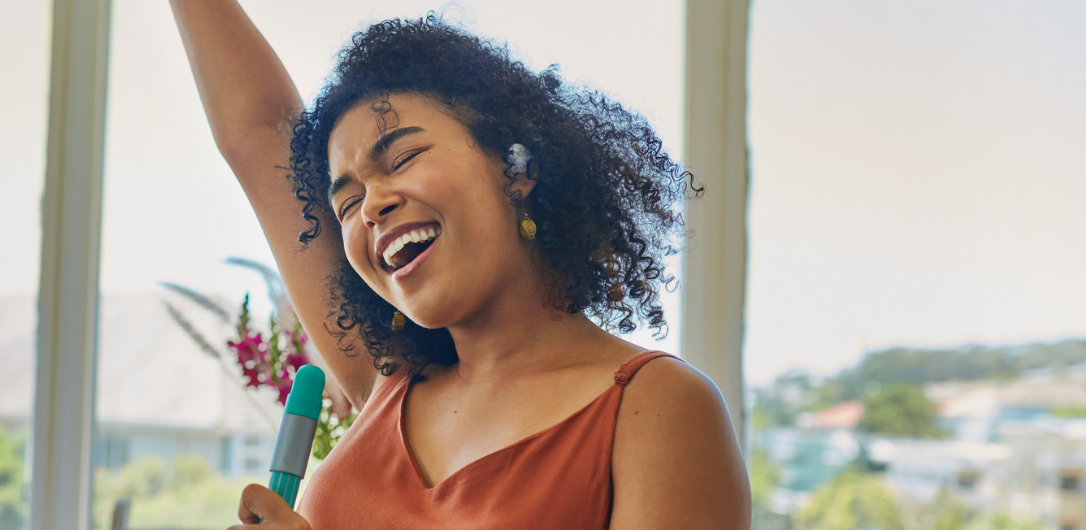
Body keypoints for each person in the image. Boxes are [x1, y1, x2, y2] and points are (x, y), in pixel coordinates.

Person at [168, 1, 752, 528]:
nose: (371, 205)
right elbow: (261, 132)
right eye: (346, 202)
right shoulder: (388, 381)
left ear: (518, 169)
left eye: (402, 156)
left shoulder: (659, 408)